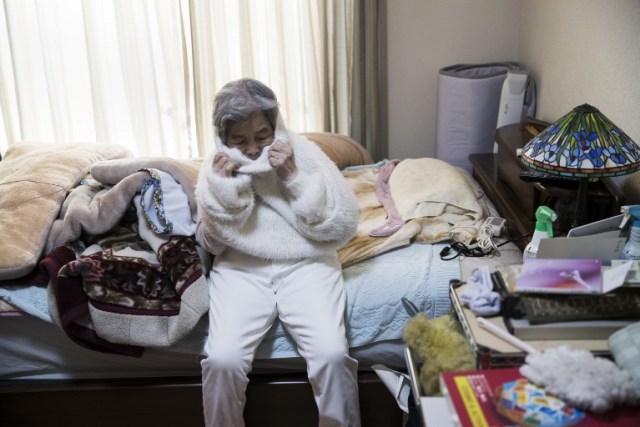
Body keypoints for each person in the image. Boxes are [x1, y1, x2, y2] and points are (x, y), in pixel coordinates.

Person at [195, 78, 361, 427]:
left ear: (276, 126)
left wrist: (292, 176)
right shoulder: (215, 167)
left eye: (262, 135)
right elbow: (210, 245)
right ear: (223, 137)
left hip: (308, 261)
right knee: (222, 360)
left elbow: (338, 226)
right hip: (241, 267)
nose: (253, 149)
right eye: (240, 140)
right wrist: (226, 191)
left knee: (331, 355)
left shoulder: (302, 154)